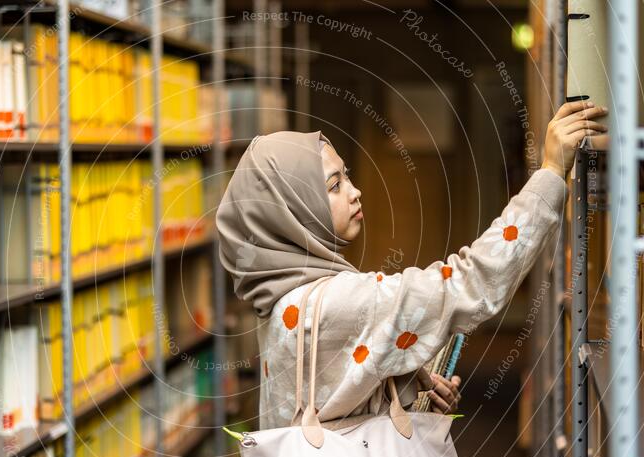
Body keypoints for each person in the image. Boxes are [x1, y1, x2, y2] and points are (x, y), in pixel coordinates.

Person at [216, 101, 608, 430]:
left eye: (347, 176)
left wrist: (412, 390)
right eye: (334, 186)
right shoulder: (342, 302)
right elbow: (469, 284)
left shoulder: (282, 295)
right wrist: (551, 173)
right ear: (291, 212)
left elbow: (338, 394)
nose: (355, 192)